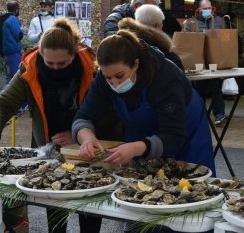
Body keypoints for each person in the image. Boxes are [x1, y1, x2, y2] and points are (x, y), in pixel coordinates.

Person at [0, 18, 99, 232]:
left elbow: (107, 114)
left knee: (89, 211)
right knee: (53, 212)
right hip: (46, 147)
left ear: (74, 54)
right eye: (49, 63)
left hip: (84, 149)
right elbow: (3, 103)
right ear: (41, 55)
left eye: (62, 64)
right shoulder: (30, 69)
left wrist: (80, 136)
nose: (55, 69)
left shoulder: (91, 70)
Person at [72, 30, 215, 175]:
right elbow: (83, 116)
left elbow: (174, 136)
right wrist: (87, 138)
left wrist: (136, 148)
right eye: (108, 78)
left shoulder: (166, 78)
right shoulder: (104, 77)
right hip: (140, 136)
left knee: (188, 181)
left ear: (135, 64)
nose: (114, 83)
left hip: (185, 133)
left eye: (120, 76)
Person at [185, 0, 228, 126]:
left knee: (216, 87)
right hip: (198, 61)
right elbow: (185, 41)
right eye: (204, 8)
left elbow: (226, 39)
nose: (207, 10)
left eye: (209, 7)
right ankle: (201, 114)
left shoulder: (220, 21)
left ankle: (219, 114)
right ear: (198, 10)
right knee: (199, 89)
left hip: (214, 60)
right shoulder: (191, 23)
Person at [118, 4, 184, 71]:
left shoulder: (127, 43)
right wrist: (174, 55)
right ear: (157, 26)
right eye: (161, 26)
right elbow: (178, 75)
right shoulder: (159, 47)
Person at [0, 1, 24, 84]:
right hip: (13, 53)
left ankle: (4, 96)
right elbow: (19, 35)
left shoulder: (0, 19)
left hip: (4, 53)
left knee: (8, 79)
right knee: (17, 79)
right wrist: (22, 30)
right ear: (16, 10)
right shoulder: (13, 19)